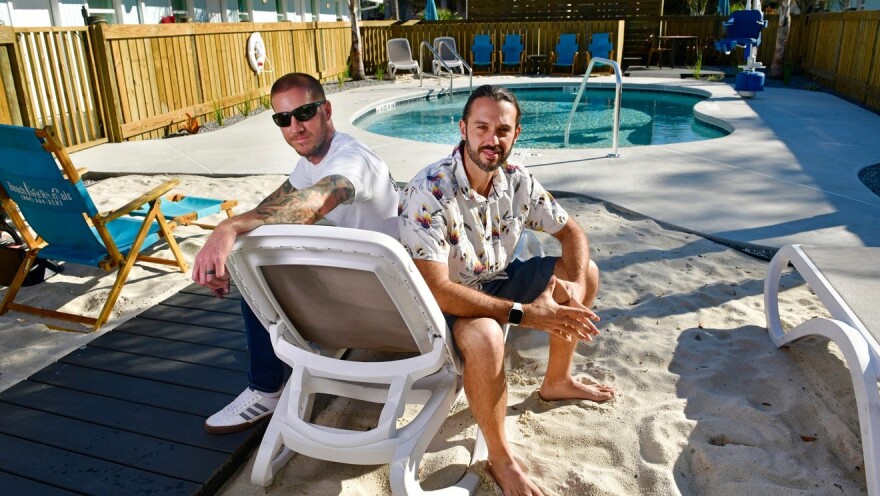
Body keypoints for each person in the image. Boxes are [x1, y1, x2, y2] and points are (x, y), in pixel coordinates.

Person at [397, 85, 616, 495]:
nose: (491, 139)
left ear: (516, 135)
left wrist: (573, 282)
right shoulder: (429, 190)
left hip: (495, 277)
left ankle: (557, 380)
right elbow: (438, 290)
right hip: (444, 303)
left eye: (502, 130)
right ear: (463, 129)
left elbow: (572, 231)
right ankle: (499, 457)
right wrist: (526, 313)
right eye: (481, 127)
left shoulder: (516, 181)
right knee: (486, 335)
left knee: (589, 269)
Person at [193, 72, 399, 433]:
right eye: (283, 119)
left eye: (304, 113)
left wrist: (228, 227)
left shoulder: (352, 160)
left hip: (386, 308)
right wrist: (232, 256)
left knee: (266, 284)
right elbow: (274, 205)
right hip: (364, 290)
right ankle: (277, 378)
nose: (295, 127)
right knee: (259, 262)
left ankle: (266, 389)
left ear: (326, 110)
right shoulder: (311, 163)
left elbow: (314, 202)